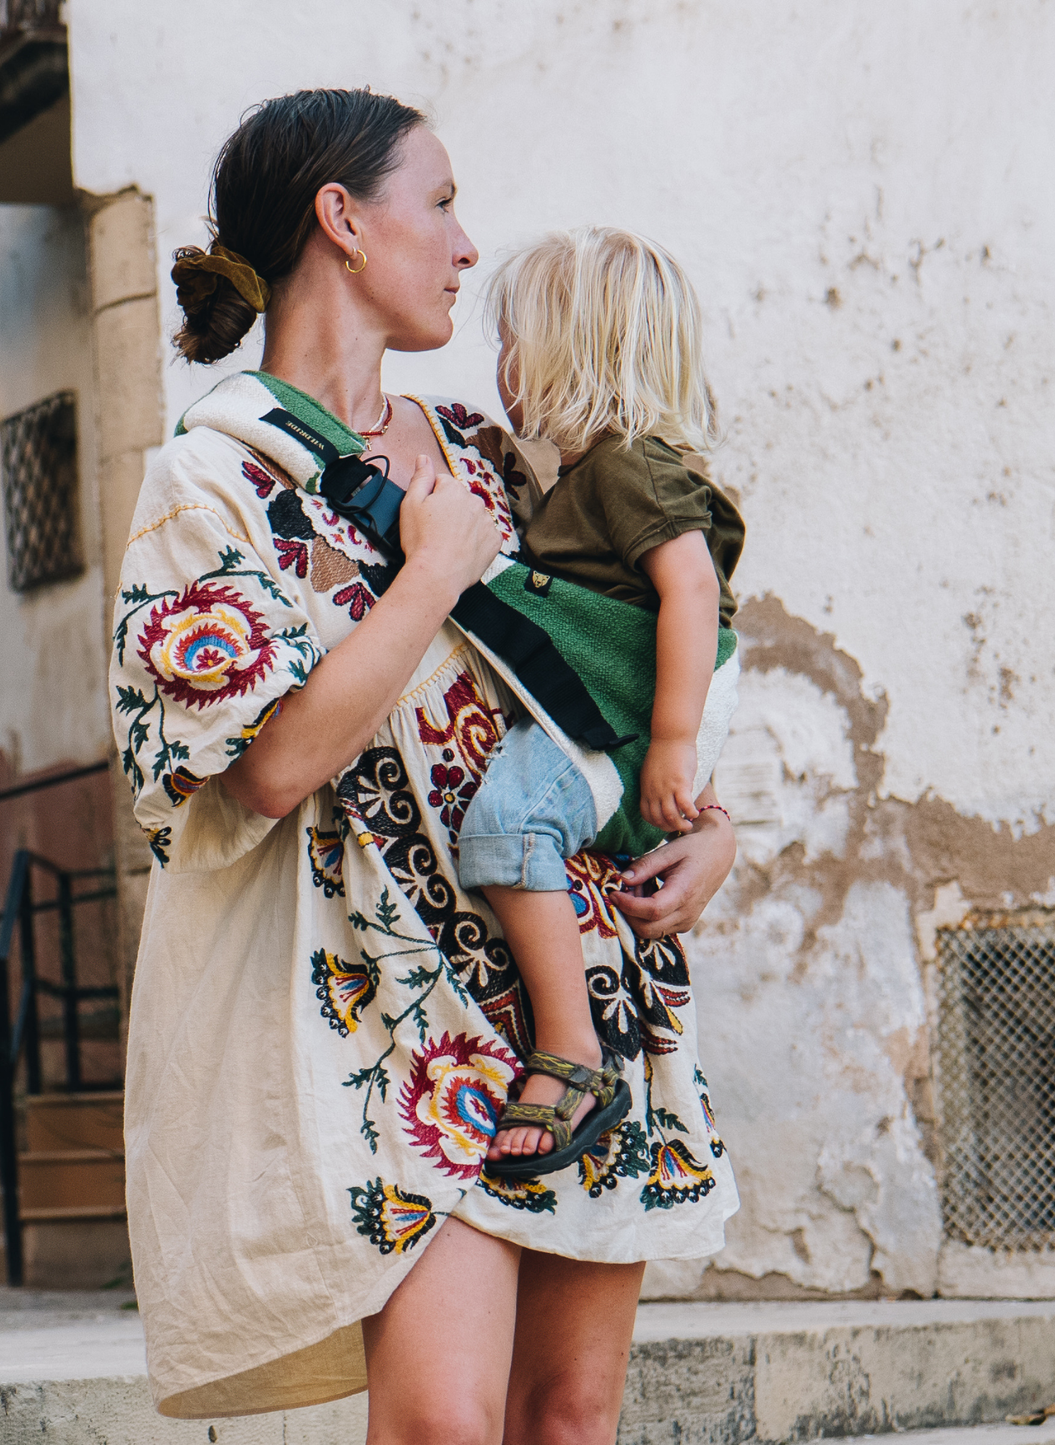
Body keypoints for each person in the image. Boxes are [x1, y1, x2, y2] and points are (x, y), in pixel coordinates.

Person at [109, 87, 739, 1445]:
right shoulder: (209, 481)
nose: (467, 247)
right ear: (342, 219)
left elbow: (610, 666)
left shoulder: (490, 453)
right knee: (449, 1424)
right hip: (386, 1017)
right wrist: (431, 572)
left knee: (569, 1416)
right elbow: (265, 771)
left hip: (570, 983)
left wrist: (710, 825)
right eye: (439, 203)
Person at [454, 229, 746, 1173]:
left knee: (507, 825)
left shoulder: (631, 466)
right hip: (622, 706)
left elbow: (692, 592)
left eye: (512, 341)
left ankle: (572, 1048)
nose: (497, 363)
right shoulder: (583, 473)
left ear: (571, 353)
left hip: (630, 711)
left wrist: (671, 742)